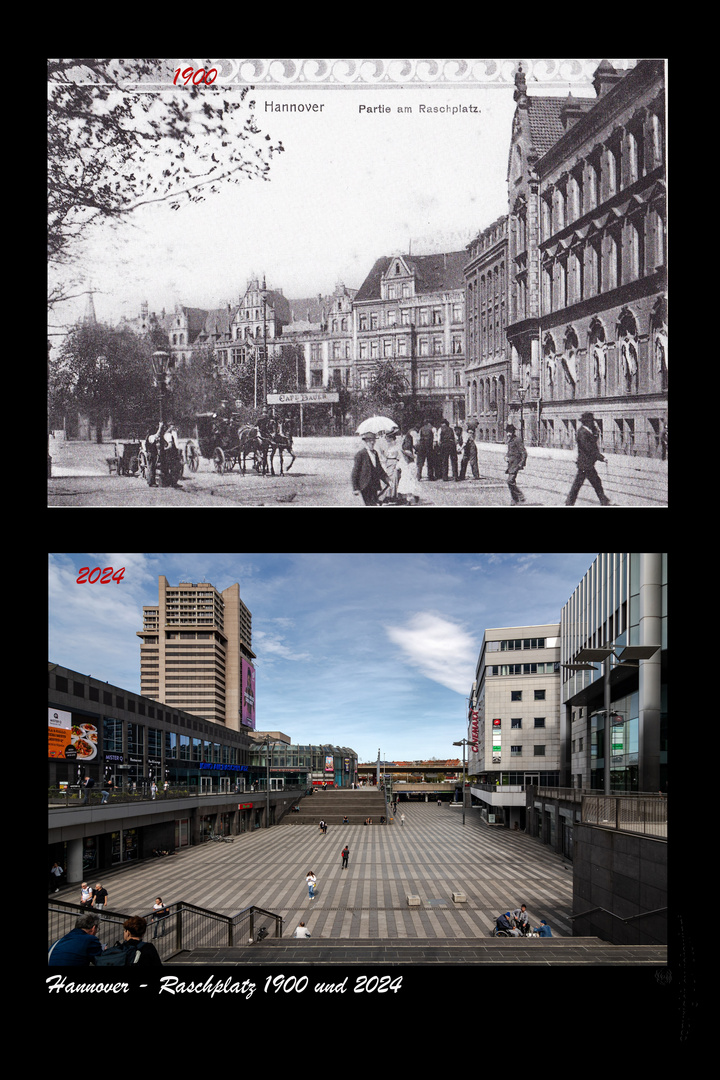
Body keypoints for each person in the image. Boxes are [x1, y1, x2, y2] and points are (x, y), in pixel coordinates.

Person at [565, 412, 612, 506]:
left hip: (586, 464)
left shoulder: (587, 431)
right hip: (585, 464)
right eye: (591, 421)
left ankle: (570, 502)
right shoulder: (582, 432)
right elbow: (589, 449)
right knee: (588, 484)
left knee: (591, 483)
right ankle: (603, 501)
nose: (593, 423)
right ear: (587, 422)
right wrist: (601, 457)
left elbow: (592, 446)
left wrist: (595, 433)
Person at [352, 432, 389, 505]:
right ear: (365, 442)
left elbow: (379, 469)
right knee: (370, 504)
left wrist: (387, 479)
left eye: (373, 440)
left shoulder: (375, 453)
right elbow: (355, 472)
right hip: (365, 485)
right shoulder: (360, 454)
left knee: (374, 503)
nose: (372, 442)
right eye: (370, 441)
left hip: (374, 484)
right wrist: (355, 488)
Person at [505, 424, 527, 504]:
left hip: (516, 464)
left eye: (510, 432)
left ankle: (520, 496)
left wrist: (521, 464)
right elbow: (509, 451)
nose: (508, 434)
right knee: (511, 482)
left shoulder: (517, 440)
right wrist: (506, 456)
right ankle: (514, 499)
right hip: (510, 464)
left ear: (513, 432)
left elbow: (524, 452)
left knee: (510, 481)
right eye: (507, 432)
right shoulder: (510, 440)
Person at [378, 431, 402, 501]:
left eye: (387, 437)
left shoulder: (397, 445)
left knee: (394, 478)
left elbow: (399, 455)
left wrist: (398, 463)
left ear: (391, 438)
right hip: (388, 462)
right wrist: (382, 453)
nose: (385, 439)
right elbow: (385, 455)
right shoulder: (388, 445)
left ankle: (393, 495)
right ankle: (388, 495)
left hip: (394, 462)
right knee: (388, 478)